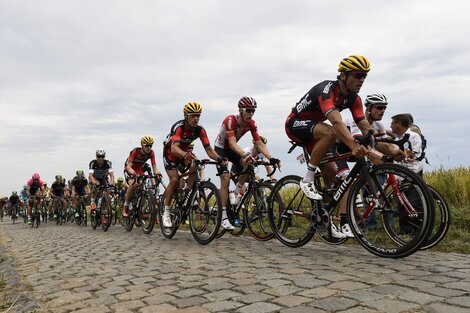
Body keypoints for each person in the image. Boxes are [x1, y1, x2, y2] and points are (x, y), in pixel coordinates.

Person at [285, 55, 377, 238]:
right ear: (343, 75)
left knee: (331, 173)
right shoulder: (326, 90)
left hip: (316, 132)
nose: (361, 80)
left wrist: (375, 139)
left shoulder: (354, 99)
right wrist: (352, 145)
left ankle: (324, 219)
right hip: (296, 124)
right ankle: (308, 178)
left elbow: (364, 124)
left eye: (364, 77)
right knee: (331, 132)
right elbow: (335, 121)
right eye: (358, 75)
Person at [214, 96, 280, 230]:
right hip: (220, 149)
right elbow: (232, 144)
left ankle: (237, 191)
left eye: (253, 111)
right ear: (240, 110)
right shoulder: (230, 120)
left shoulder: (251, 123)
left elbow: (259, 143)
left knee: (248, 165)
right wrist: (246, 155)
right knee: (225, 180)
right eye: (248, 110)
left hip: (231, 149)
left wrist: (271, 158)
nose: (251, 113)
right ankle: (223, 217)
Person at [162, 102, 227, 228]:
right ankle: (166, 212)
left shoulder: (200, 130)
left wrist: (219, 159)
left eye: (198, 116)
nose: (196, 118)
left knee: (195, 165)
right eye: (193, 116)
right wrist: (186, 155)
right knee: (174, 179)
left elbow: (209, 150)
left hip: (184, 152)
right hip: (170, 153)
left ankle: (187, 192)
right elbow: (175, 148)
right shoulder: (179, 127)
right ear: (186, 116)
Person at [122, 136, 162, 217]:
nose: (149, 147)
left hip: (139, 169)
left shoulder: (151, 153)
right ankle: (125, 206)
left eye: (151, 145)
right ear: (142, 145)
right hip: (129, 168)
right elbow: (128, 167)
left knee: (143, 185)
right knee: (133, 184)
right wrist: (133, 173)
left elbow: (154, 166)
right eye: (147, 145)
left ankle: (141, 207)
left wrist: (157, 174)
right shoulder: (135, 151)